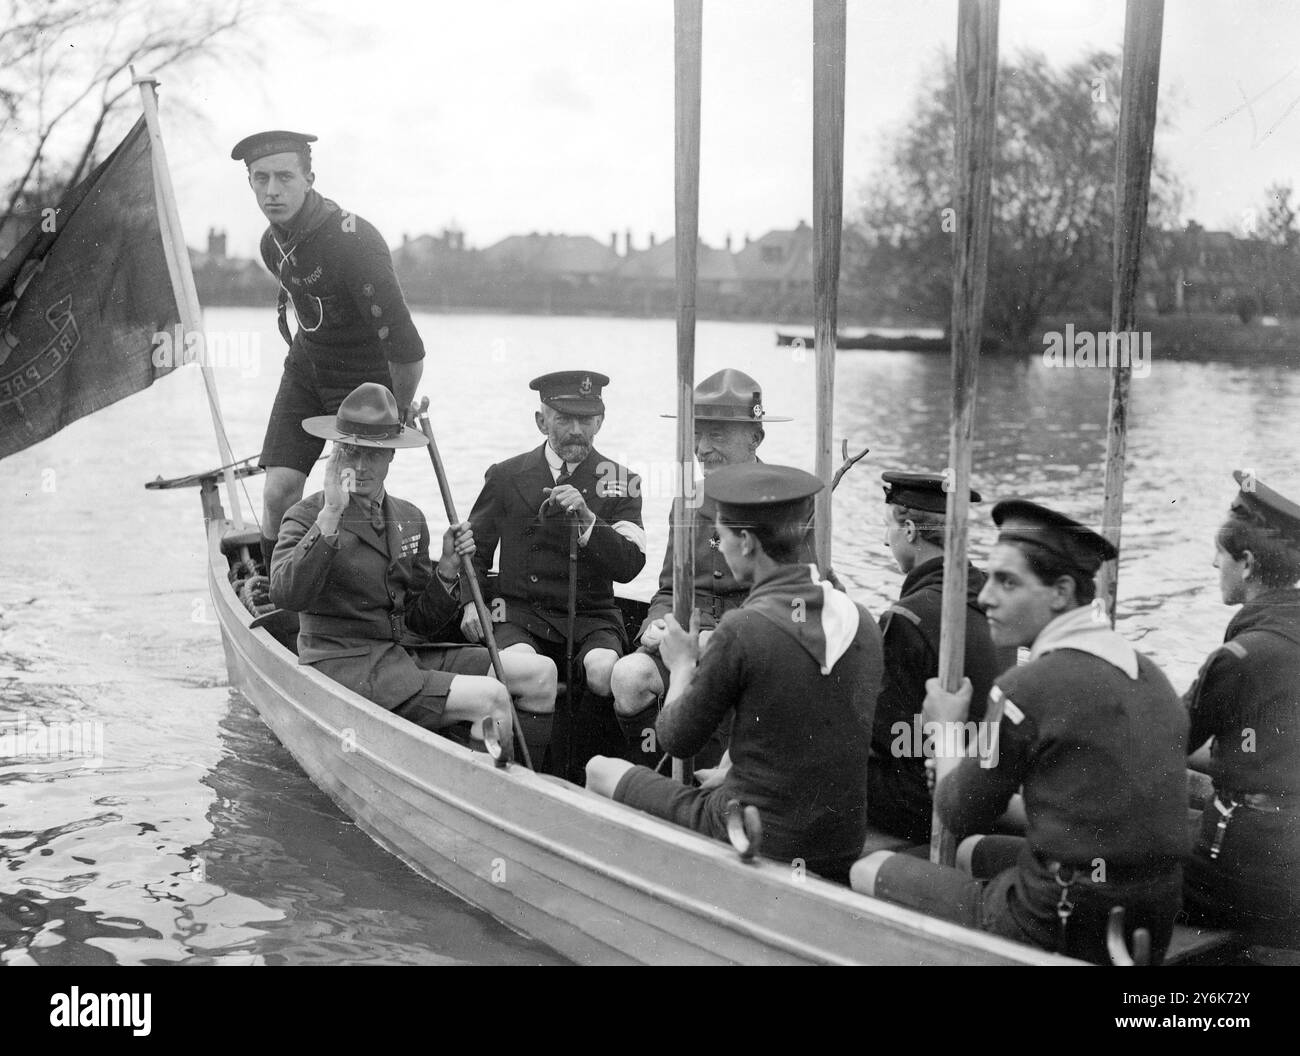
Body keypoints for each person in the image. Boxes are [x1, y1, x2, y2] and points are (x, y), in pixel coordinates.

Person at [854, 499, 1188, 964]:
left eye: (1007, 582)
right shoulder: (1148, 673)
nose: (986, 596)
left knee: (867, 870)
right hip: (1148, 914)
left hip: (1062, 917)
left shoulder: (1027, 687)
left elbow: (955, 810)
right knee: (970, 853)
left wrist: (947, 730)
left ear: (1061, 591)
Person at [586, 464, 882, 885]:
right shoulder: (862, 619)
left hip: (755, 833)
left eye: (722, 537)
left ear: (745, 542)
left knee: (600, 769)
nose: (720, 550)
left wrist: (683, 665)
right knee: (718, 775)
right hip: (842, 839)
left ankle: (647, 886)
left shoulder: (741, 631)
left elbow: (675, 738)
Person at [268, 383, 556, 760]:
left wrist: (449, 570)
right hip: (343, 666)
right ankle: (496, 797)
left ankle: (526, 783)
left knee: (541, 674)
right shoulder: (310, 516)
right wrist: (332, 515)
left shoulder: (409, 518)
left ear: (391, 455)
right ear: (335, 453)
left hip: (401, 656)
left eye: (374, 454)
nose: (360, 466)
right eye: (351, 452)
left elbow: (420, 623)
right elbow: (286, 594)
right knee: (492, 699)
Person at [230, 130, 425, 574]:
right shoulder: (269, 243)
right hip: (306, 370)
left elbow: (408, 349)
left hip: (364, 385)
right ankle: (275, 586)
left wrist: (396, 409)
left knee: (347, 494)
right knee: (278, 492)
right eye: (261, 179)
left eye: (284, 176)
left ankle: (346, 603)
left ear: (310, 178)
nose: (272, 190)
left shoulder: (354, 240)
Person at [462, 371, 645, 780]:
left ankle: (593, 774)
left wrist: (587, 519)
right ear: (541, 421)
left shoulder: (622, 482)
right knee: (521, 668)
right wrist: (469, 602)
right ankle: (524, 777)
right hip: (521, 614)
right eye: (564, 419)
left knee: (603, 671)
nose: (577, 430)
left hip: (592, 616)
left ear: (601, 421)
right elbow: (471, 550)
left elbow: (631, 565)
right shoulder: (506, 476)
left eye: (587, 419)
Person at [609, 368, 792, 769]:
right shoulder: (688, 503)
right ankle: (654, 779)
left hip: (749, 648)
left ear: (756, 438)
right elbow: (669, 589)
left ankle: (712, 784)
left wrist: (716, 639)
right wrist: (656, 624)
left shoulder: (784, 503)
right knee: (627, 675)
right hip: (687, 642)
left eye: (718, 436)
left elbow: (795, 601)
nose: (702, 448)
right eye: (698, 434)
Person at [1181, 470, 1300, 948]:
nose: (1214, 563)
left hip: (1250, 880)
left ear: (1247, 564)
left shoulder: (1242, 657)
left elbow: (1164, 742)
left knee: (1115, 867)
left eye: (1220, 552)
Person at [867, 471, 1014, 844]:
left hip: (930, 798)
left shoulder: (906, 618)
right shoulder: (994, 598)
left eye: (889, 527)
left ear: (911, 530)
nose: (886, 540)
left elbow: (883, 736)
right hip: (990, 777)